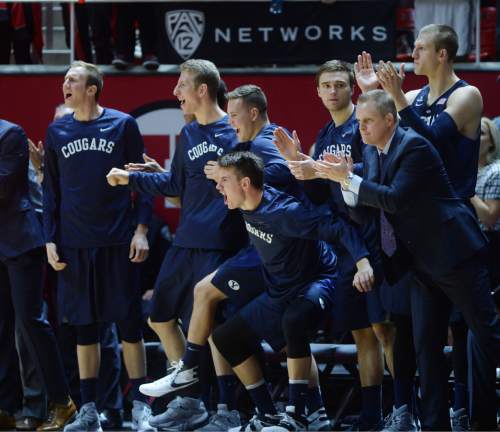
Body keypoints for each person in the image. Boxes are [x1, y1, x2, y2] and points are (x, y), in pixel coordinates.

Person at [128, 84, 330, 431]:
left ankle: (193, 372)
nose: (230, 120)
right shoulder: (246, 144)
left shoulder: (266, 143)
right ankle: (303, 412)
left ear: (253, 113)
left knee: (211, 296)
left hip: (277, 248)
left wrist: (360, 260)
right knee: (258, 333)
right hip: (264, 247)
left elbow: (278, 183)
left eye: (234, 114)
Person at [314, 89, 500, 431]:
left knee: (485, 335)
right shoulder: (372, 151)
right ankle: (433, 425)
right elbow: (364, 212)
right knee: (425, 347)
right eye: (359, 123)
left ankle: (485, 421)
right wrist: (341, 182)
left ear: (389, 120)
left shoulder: (414, 146)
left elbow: (395, 200)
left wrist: (348, 179)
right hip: (420, 263)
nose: (362, 129)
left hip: (454, 254)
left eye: (367, 122)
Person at [106, 59, 248, 431]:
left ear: (202, 89)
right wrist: (137, 178)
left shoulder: (233, 132)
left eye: (181, 85)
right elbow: (175, 186)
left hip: (220, 243)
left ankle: (225, 408)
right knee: (159, 317)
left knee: (215, 331)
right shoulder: (188, 134)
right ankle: (189, 399)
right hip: (186, 241)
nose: (175, 93)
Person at [357, 24, 486, 429]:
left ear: (442, 54)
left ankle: (473, 413)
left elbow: (428, 141)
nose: (411, 54)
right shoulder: (411, 97)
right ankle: (432, 422)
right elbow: (380, 131)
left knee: (475, 333)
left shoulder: (466, 95)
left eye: (420, 48)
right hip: (416, 234)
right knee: (424, 341)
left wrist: (395, 96)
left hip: (452, 228)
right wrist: (369, 92)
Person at [209, 151, 374, 432]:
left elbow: (336, 227)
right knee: (225, 338)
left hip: (319, 282)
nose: (218, 186)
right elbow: (273, 171)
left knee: (294, 320)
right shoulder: (245, 201)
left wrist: (362, 261)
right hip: (280, 289)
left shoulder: (285, 213)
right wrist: (290, 157)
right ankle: (267, 415)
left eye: (224, 180)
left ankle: (297, 415)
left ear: (246, 184)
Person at [273, 60, 395, 431]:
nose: (332, 91)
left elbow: (374, 178)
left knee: (384, 330)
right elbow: (316, 197)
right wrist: (298, 163)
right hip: (344, 243)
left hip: (373, 237)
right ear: (317, 91)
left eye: (340, 84)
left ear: (352, 89)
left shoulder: (363, 128)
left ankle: (404, 407)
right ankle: (373, 413)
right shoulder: (324, 135)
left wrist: (328, 169)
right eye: (326, 85)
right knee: (361, 332)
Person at [43, 61, 154, 432]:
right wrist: (50, 238)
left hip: (118, 240)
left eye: (72, 79)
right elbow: (50, 191)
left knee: (129, 327)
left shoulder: (123, 124)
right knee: (85, 329)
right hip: (74, 244)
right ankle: (89, 410)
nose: (65, 85)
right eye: (64, 80)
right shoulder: (57, 130)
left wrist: (141, 230)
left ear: (92, 88)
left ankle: (140, 406)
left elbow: (143, 181)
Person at [0, 119, 77, 431]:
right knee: (1, 324)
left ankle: (62, 403)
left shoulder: (11, 133)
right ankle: (5, 407)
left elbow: (3, 188)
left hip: (21, 242)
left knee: (31, 322)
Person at [471, 117, 500, 288]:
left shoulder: (496, 171)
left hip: (489, 243)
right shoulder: (467, 168)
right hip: (468, 240)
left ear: (491, 143)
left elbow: (489, 218)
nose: (474, 136)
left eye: (480, 133)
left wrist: (467, 191)